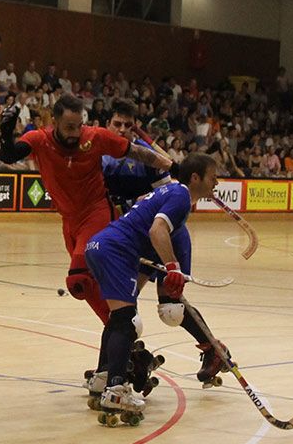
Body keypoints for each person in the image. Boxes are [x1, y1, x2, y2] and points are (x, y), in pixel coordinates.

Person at [0, 94, 172, 324]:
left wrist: (172, 166)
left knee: (76, 278)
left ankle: (124, 333)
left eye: (78, 126)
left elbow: (136, 152)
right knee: (87, 287)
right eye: (69, 127)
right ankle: (126, 343)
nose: (75, 133)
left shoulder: (94, 137)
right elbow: (8, 155)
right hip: (69, 222)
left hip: (96, 213)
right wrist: (6, 136)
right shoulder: (39, 139)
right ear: (55, 122)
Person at [83, 154, 222, 425]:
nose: (217, 182)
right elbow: (157, 230)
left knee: (121, 316)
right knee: (125, 320)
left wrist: (165, 269)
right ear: (195, 178)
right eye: (213, 176)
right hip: (116, 251)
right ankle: (116, 390)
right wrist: (172, 267)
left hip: (99, 246)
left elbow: (146, 228)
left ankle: (103, 378)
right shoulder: (181, 197)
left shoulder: (167, 192)